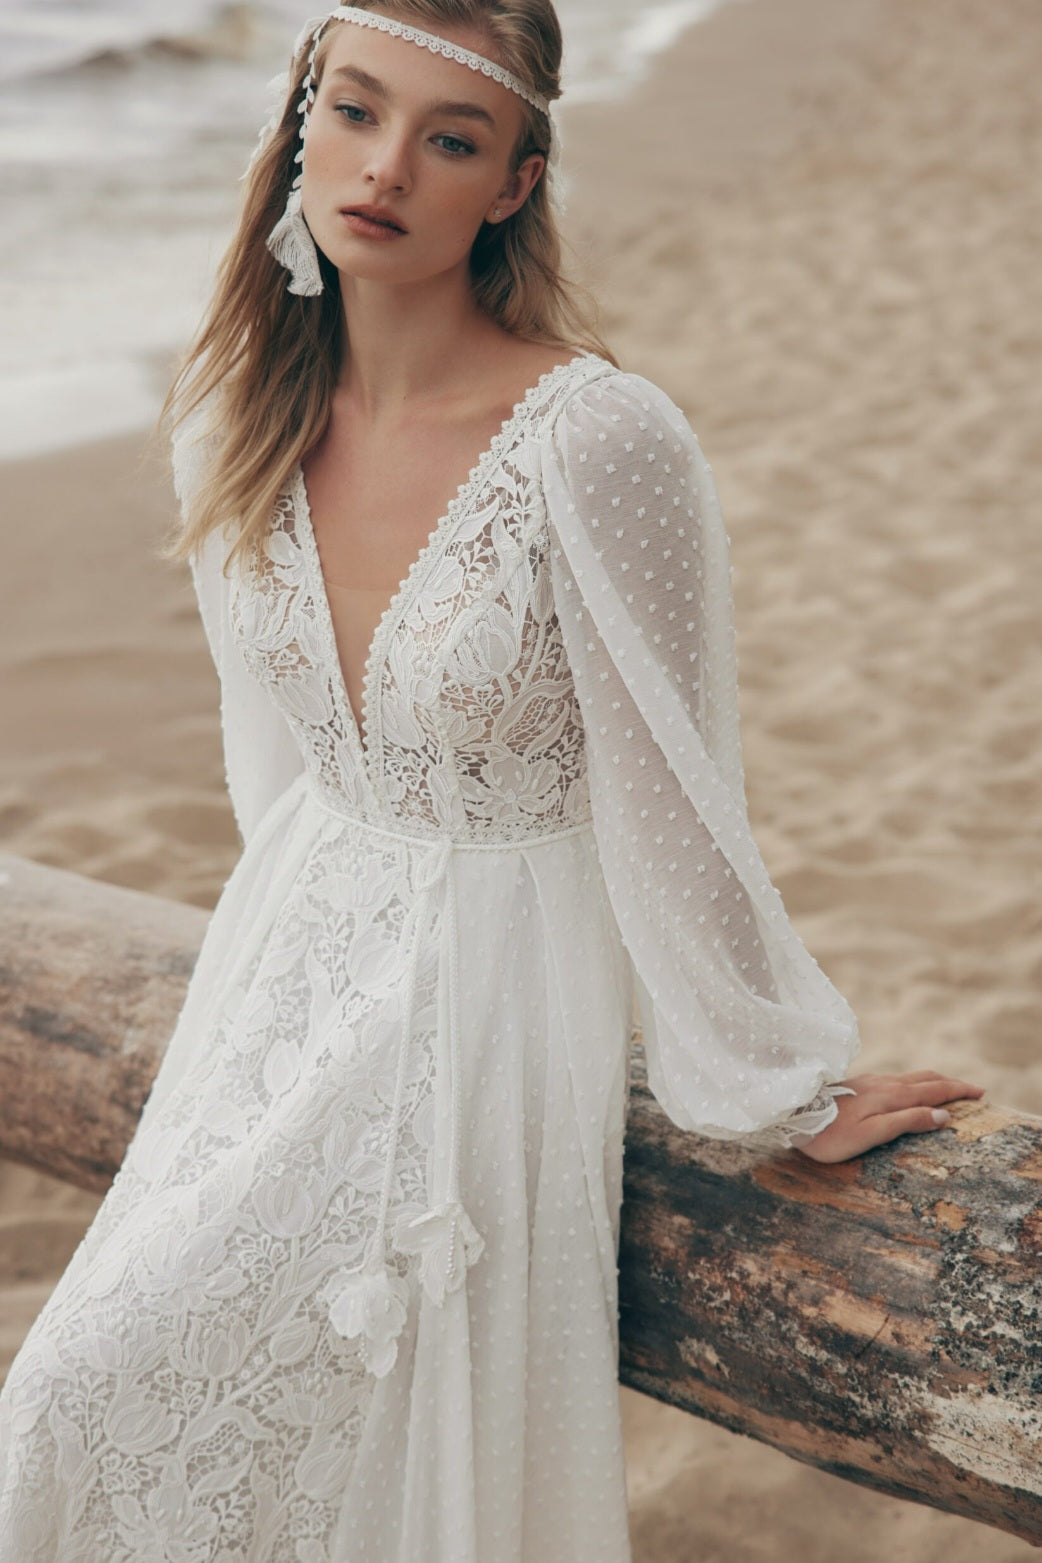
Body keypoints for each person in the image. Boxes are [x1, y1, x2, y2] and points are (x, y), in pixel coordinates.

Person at [0, 3, 985, 1559]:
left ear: (513, 182)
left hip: (492, 986)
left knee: (207, 1415)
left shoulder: (597, 440)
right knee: (76, 1403)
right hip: (286, 963)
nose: (385, 166)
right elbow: (273, 757)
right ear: (300, 115)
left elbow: (675, 793)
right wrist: (284, 976)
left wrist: (782, 1086)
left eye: (448, 138)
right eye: (355, 109)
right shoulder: (231, 413)